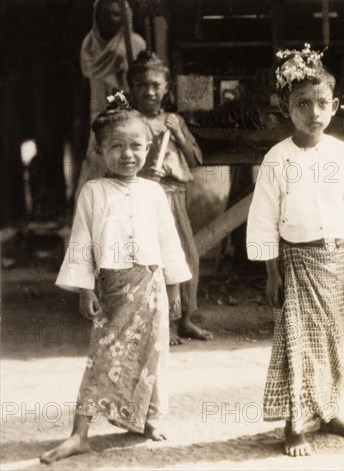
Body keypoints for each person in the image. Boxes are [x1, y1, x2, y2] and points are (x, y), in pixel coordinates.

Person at [246, 44, 344, 456]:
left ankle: (329, 410)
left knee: (333, 341)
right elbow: (265, 217)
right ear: (287, 109)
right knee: (297, 344)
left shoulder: (343, 155)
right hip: (295, 262)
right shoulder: (277, 158)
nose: (313, 113)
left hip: (337, 260)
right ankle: (295, 423)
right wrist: (272, 272)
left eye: (322, 104)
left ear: (336, 106)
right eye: (302, 104)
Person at [40, 93, 191, 464]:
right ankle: (79, 433)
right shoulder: (93, 192)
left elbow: (168, 242)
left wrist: (174, 289)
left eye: (136, 146)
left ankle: (145, 420)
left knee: (153, 357)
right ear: (98, 150)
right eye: (116, 147)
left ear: (149, 146)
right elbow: (82, 242)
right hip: (113, 288)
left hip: (151, 286)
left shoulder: (154, 192)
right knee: (103, 356)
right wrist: (84, 290)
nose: (127, 155)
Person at [128, 50, 213, 345]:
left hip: (174, 195)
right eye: (143, 85)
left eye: (156, 85)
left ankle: (185, 319)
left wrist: (178, 135)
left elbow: (195, 159)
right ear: (133, 87)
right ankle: (157, 322)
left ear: (166, 89)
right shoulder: (128, 121)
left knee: (185, 255)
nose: (150, 91)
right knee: (150, 259)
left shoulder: (174, 120)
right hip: (142, 197)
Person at [77, 0, 146, 191]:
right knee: (96, 163)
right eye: (105, 14)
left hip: (127, 114)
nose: (110, 19)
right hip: (97, 113)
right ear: (96, 16)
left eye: (116, 14)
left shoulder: (135, 43)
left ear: (125, 17)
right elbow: (86, 87)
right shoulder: (89, 45)